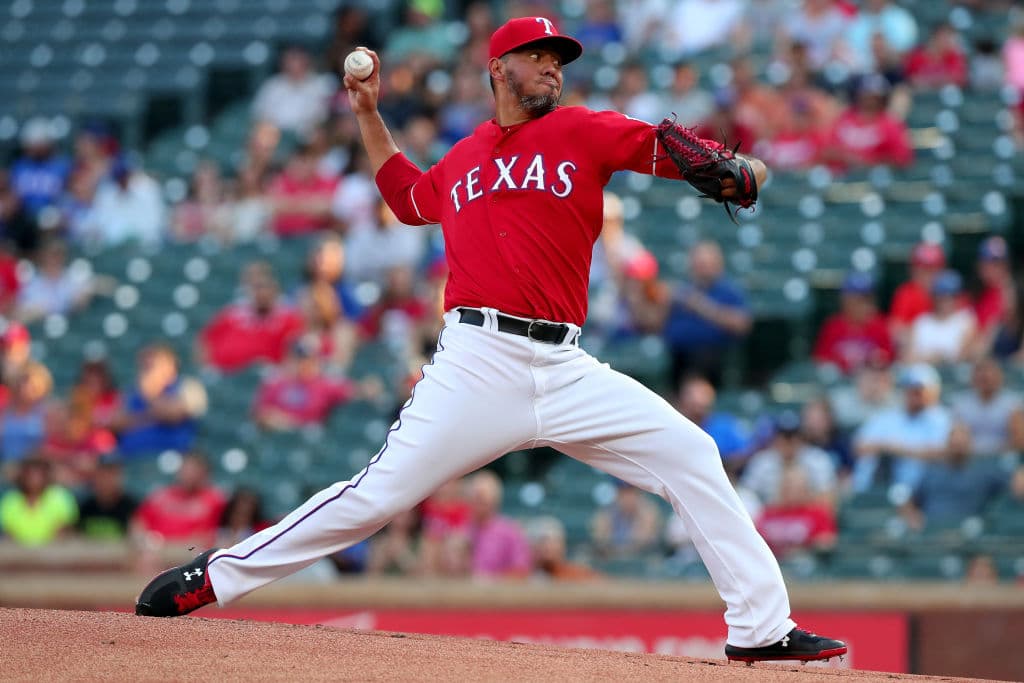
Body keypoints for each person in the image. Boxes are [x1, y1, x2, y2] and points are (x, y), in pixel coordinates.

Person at [136, 18, 846, 663]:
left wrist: (738, 169)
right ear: (497, 69)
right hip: (476, 361)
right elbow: (407, 199)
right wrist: (369, 114)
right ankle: (216, 576)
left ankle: (760, 628)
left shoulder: (582, 130)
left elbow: (677, 153)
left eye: (558, 59)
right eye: (536, 57)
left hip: (566, 366)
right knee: (374, 498)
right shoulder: (467, 153)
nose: (552, 69)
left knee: (691, 451)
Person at [662, 241, 752, 388]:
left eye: (706, 264)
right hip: (676, 355)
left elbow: (742, 324)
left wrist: (702, 306)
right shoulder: (682, 290)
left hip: (713, 358)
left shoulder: (729, 290)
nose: (702, 269)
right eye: (699, 264)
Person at [851, 363, 952, 493]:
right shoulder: (887, 416)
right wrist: (886, 447)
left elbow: (944, 453)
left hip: (922, 491)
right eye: (909, 389)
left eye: (919, 390)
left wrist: (899, 449)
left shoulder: (942, 419)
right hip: (881, 486)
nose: (914, 394)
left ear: (934, 391)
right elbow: (859, 446)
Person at [197, 263, 305, 372]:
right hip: (228, 374)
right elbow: (205, 340)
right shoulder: (232, 314)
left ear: (275, 289)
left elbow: (298, 349)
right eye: (258, 288)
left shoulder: (290, 318)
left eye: (266, 287)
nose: (262, 293)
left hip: (272, 376)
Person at [898, 423, 1005, 531]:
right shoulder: (932, 471)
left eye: (962, 444)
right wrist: (912, 517)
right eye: (955, 444)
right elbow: (909, 501)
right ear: (947, 444)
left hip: (967, 532)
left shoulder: (984, 472)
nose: (958, 448)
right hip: (932, 531)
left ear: (970, 445)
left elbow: (1012, 483)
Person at [111, 344, 207, 458]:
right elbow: (115, 423)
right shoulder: (132, 391)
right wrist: (150, 415)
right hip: (133, 457)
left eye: (153, 365)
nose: (148, 370)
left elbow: (173, 415)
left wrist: (150, 395)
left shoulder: (188, 386)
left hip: (171, 457)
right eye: (145, 366)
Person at [741, 411, 838, 507]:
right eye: (784, 436)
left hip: (807, 515)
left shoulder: (817, 459)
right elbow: (747, 495)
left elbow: (828, 497)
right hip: (769, 517)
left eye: (793, 436)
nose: (789, 441)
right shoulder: (762, 462)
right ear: (775, 438)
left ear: (802, 437)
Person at [812, 271, 894, 374]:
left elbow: (887, 360)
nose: (863, 306)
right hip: (840, 384)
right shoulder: (833, 327)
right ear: (845, 301)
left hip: (870, 381)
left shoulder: (880, 326)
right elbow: (821, 361)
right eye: (857, 300)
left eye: (866, 300)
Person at [951, 358, 1024, 458]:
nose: (986, 381)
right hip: (970, 458)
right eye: (982, 378)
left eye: (990, 377)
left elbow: (1019, 440)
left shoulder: (1013, 404)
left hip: (1004, 457)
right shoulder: (961, 404)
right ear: (973, 379)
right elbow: (957, 439)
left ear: (999, 378)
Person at [903, 270, 976, 365]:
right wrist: (935, 357)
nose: (945, 300)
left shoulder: (965, 320)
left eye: (951, 295)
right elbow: (908, 356)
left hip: (953, 376)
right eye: (941, 295)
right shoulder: (922, 322)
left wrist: (935, 357)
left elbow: (964, 354)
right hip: (923, 375)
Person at [0, 458, 78, 546]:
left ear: (47, 477)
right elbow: (9, 534)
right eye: (30, 475)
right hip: (18, 554)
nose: (34, 479)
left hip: (55, 554)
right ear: (22, 477)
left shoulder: (61, 497)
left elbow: (63, 531)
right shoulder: (10, 500)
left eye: (38, 475)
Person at [888, 242, 947, 350]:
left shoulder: (951, 294)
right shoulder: (906, 294)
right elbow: (896, 331)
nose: (928, 275)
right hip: (915, 353)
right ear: (913, 270)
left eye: (933, 269)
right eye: (923, 269)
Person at [590, 480, 661, 559]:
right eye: (623, 492)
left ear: (638, 494)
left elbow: (641, 543)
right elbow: (599, 539)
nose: (627, 497)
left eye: (631, 492)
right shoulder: (607, 513)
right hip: (611, 559)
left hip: (640, 560)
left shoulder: (648, 512)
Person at [76, 457, 138, 541]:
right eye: (103, 474)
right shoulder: (85, 507)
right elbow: (76, 536)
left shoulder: (131, 507)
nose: (107, 479)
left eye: (112, 474)